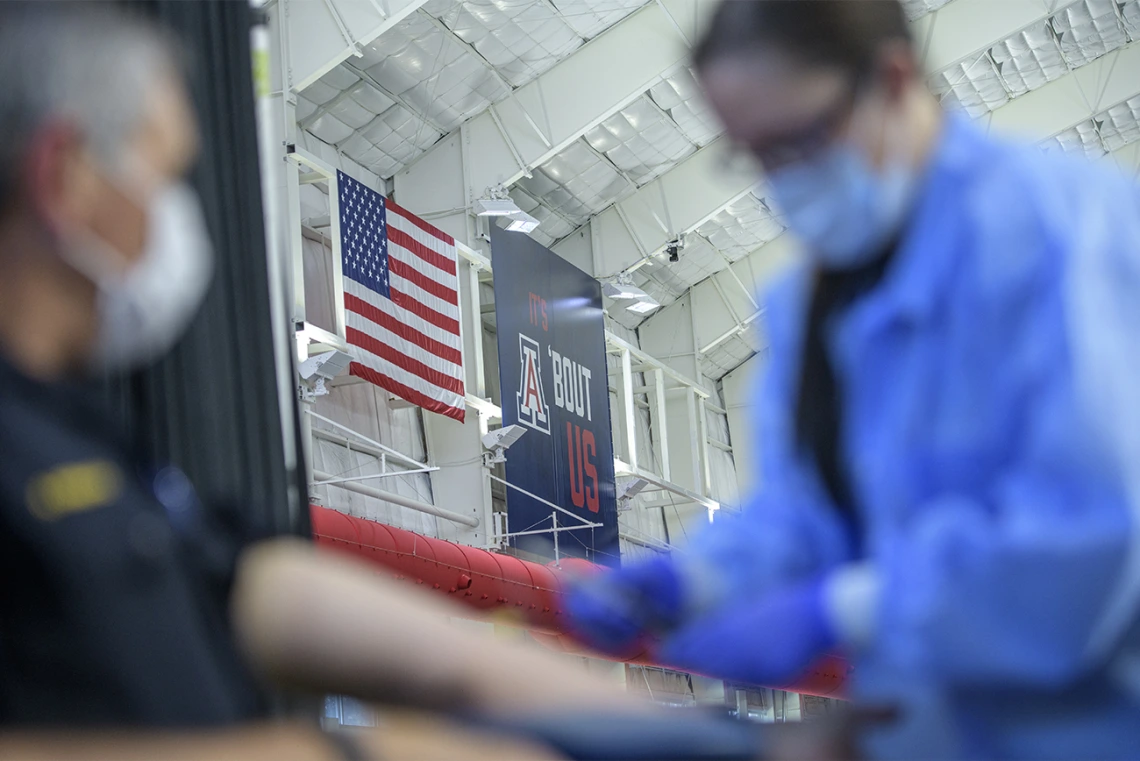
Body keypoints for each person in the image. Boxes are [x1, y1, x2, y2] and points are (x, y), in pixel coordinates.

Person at [0, 4, 646, 759]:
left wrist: (562, 702)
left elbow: (250, 585)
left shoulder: (73, 429)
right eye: (164, 175)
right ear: (63, 174)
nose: (178, 219)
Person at [566, 1, 1140, 758]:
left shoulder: (1064, 234)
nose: (785, 183)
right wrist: (692, 578)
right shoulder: (812, 305)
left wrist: (844, 609)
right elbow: (803, 514)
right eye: (758, 155)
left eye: (802, 142)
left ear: (893, 79)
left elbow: (1092, 533)